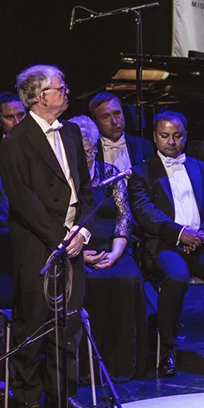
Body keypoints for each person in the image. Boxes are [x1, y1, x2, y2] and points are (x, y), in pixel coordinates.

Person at [0, 65, 95, 408]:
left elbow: (84, 188)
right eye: (61, 87)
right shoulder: (16, 141)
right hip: (38, 242)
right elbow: (24, 201)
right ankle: (27, 396)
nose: (66, 91)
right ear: (42, 97)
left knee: (67, 322)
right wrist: (61, 237)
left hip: (73, 239)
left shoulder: (70, 131)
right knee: (34, 320)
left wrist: (83, 231)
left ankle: (62, 393)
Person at [128, 110, 204, 376]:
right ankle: (168, 348)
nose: (171, 141)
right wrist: (180, 233)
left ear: (185, 137)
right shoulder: (141, 173)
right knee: (176, 278)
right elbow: (146, 213)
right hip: (166, 244)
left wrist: (203, 234)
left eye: (177, 135)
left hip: (203, 242)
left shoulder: (201, 167)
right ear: (154, 136)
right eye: (164, 136)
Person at [68, 115, 146, 379]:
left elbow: (123, 217)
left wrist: (114, 253)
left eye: (90, 151)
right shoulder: (66, 180)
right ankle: (84, 369)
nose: (87, 157)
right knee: (83, 285)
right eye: (81, 153)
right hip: (78, 251)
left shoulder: (110, 174)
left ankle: (121, 366)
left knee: (127, 279)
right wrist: (81, 254)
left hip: (113, 247)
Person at [89, 92, 154, 172]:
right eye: (106, 117)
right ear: (95, 122)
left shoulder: (144, 146)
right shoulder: (90, 151)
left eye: (117, 114)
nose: (114, 122)